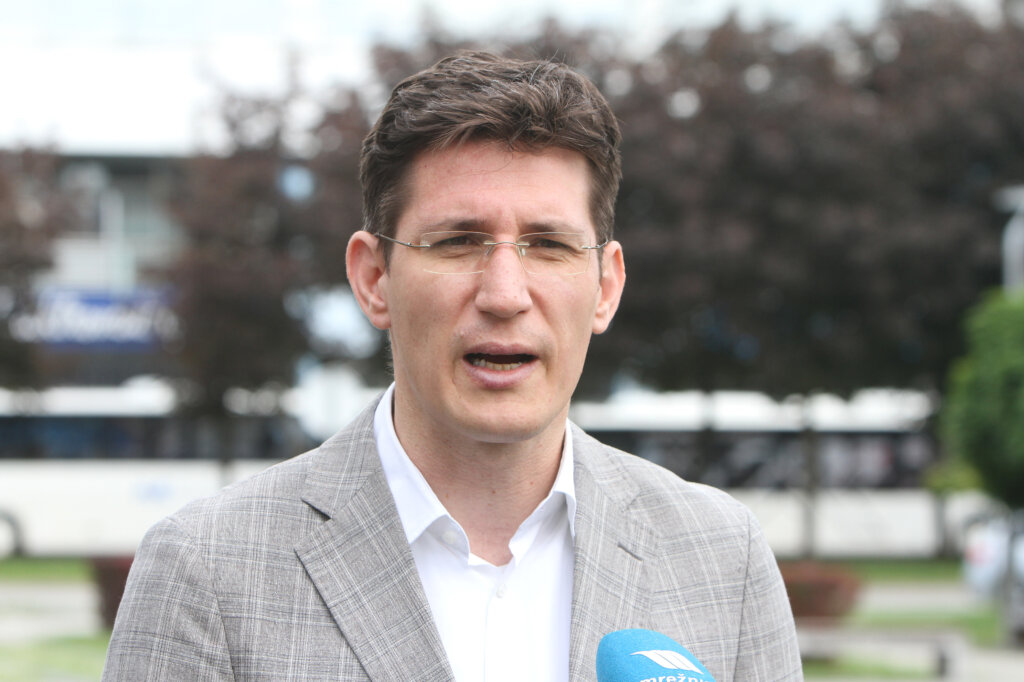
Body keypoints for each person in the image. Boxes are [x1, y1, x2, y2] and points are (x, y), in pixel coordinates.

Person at [103, 51, 802, 681]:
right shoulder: (207, 569)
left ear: (606, 287)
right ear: (374, 278)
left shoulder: (722, 558)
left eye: (549, 244)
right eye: (458, 242)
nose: (504, 294)